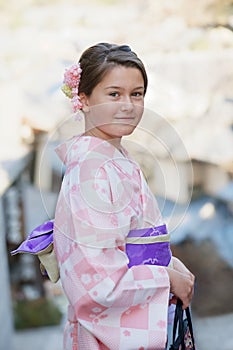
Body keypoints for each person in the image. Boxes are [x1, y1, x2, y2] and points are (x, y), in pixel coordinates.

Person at [54, 42, 195, 350]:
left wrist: (171, 264)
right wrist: (165, 279)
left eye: (137, 93)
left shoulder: (114, 159)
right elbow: (97, 281)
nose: (128, 105)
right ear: (84, 100)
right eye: (114, 94)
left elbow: (136, 242)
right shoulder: (92, 172)